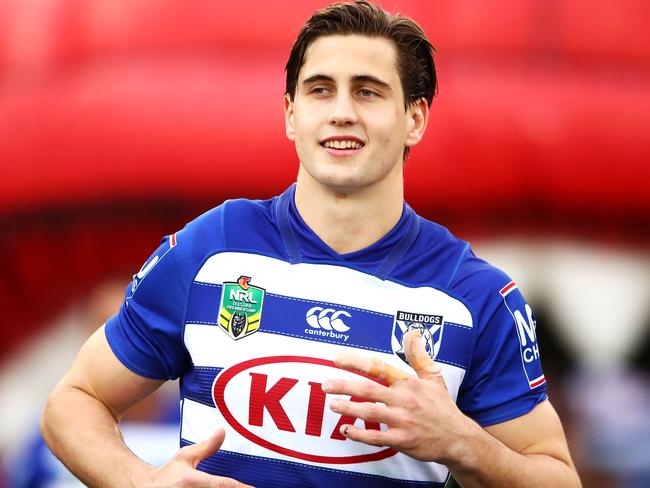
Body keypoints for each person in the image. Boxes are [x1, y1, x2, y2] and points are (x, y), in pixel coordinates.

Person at [41, 2, 581, 487]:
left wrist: (461, 441)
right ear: (292, 114)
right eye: (320, 89)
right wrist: (140, 483)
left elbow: (557, 476)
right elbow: (74, 401)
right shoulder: (213, 247)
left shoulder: (477, 295)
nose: (342, 111)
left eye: (368, 91)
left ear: (414, 118)